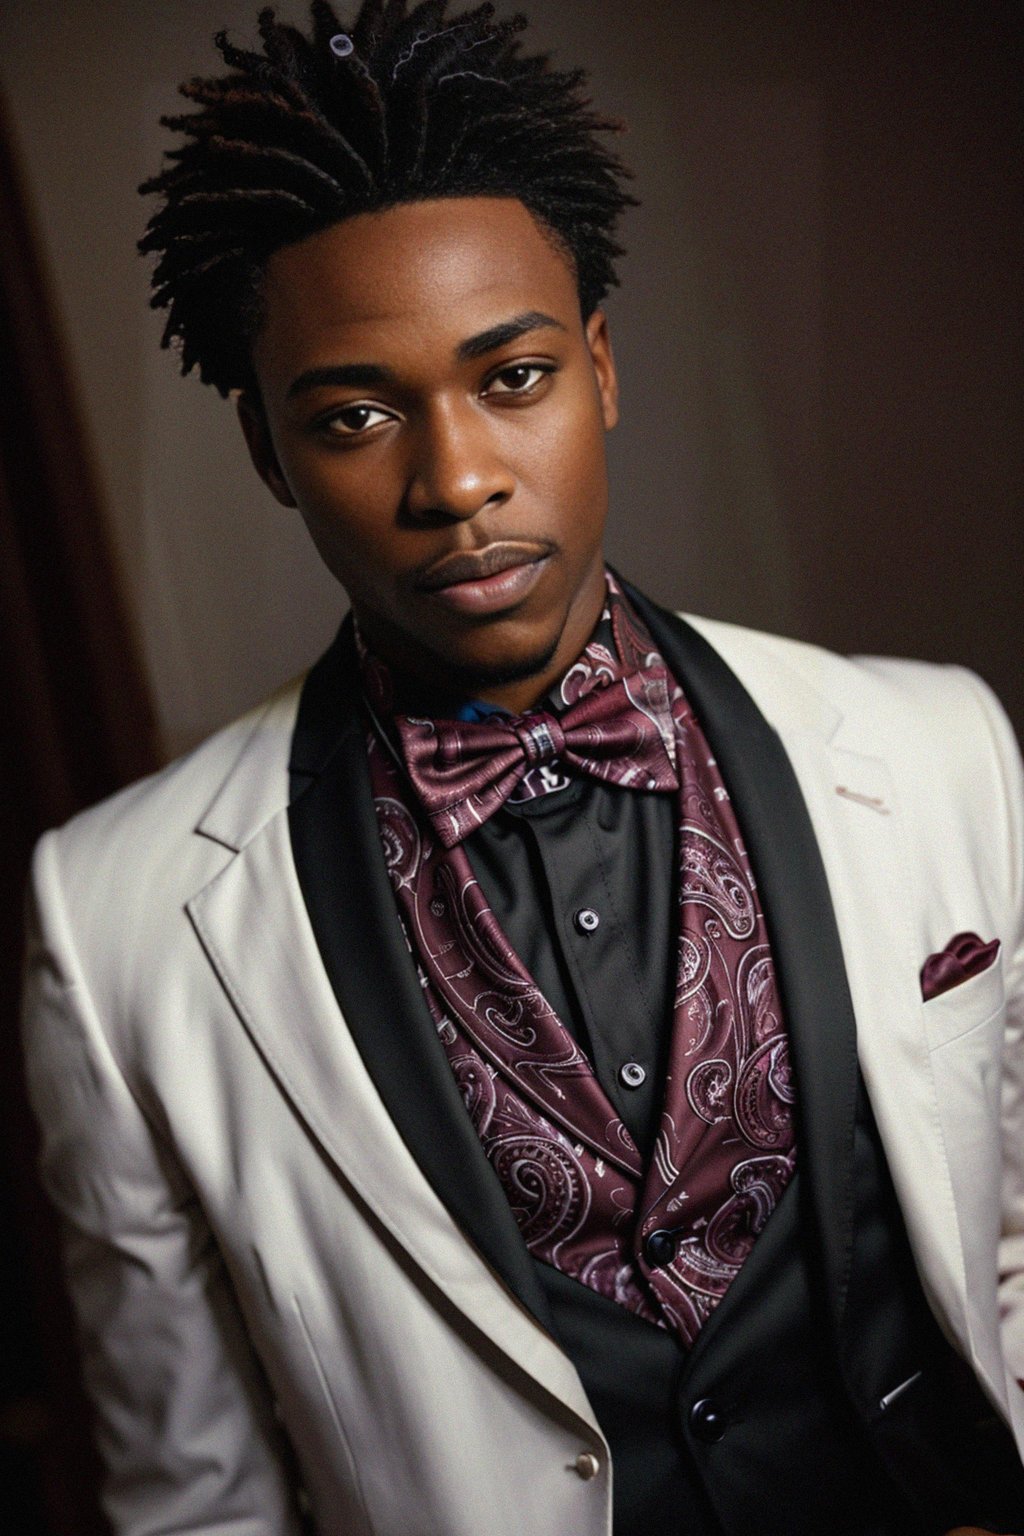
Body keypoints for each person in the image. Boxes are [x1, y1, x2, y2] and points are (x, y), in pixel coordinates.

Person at [20, 3, 1024, 1533]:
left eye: (513, 378)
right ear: (266, 452)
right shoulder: (114, 923)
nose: (458, 479)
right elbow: (194, 1493)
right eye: (355, 416)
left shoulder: (936, 744)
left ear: (602, 370)